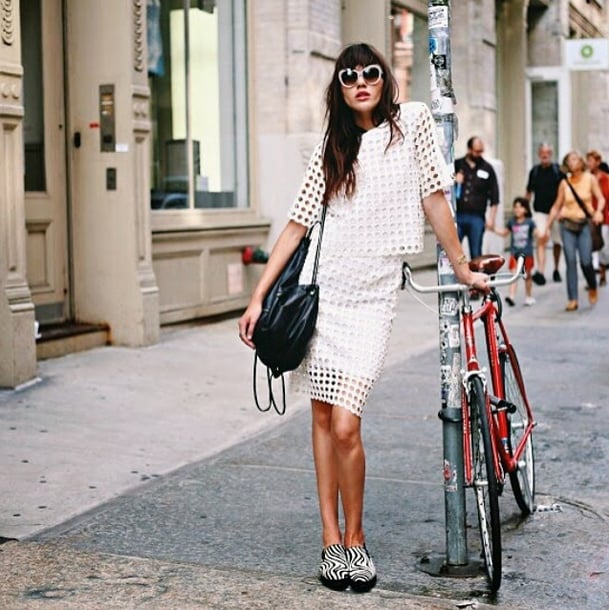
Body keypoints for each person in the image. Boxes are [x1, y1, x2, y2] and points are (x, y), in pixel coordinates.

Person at [238, 43, 490, 593]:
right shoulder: (332, 145)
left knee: (347, 423)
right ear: (339, 86)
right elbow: (297, 224)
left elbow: (435, 199)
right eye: (349, 76)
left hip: (373, 299)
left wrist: (463, 267)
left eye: (370, 72)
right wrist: (258, 296)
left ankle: (357, 537)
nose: (360, 81)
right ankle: (332, 541)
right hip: (325, 295)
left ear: (384, 78)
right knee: (324, 419)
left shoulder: (413, 123)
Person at [545, 151, 605, 311]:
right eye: (569, 160)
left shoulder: (589, 179)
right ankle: (572, 299)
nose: (572, 162)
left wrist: (599, 211)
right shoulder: (565, 183)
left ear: (580, 162)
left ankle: (592, 285)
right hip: (567, 225)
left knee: (586, 260)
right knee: (570, 261)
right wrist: (546, 227)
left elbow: (601, 198)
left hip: (584, 224)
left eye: (575, 159)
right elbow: (556, 206)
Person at [454, 136, 500, 258]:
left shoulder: (487, 168)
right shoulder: (457, 164)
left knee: (476, 251)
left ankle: (476, 276)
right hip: (458, 215)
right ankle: (458, 275)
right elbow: (444, 187)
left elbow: (495, 196)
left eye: (481, 151)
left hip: (477, 216)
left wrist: (491, 218)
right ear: (469, 149)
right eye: (476, 151)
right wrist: (454, 180)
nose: (479, 154)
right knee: (455, 250)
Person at [525, 143, 564, 285]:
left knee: (557, 242)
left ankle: (556, 269)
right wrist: (525, 209)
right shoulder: (534, 171)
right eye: (542, 152)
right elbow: (528, 192)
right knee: (541, 238)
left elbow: (564, 192)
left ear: (551, 153)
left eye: (547, 152)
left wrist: (562, 210)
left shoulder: (558, 171)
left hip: (557, 211)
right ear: (538, 154)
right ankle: (540, 272)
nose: (544, 154)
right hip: (540, 212)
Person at [493, 197, 540, 307]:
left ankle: (528, 296)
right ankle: (511, 296)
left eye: (520, 207)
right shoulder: (512, 222)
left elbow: (537, 233)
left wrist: (541, 235)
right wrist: (493, 229)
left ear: (526, 210)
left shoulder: (530, 222)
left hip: (527, 253)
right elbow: (505, 233)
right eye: (515, 207)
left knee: (527, 276)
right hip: (515, 254)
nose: (517, 209)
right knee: (514, 274)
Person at [586, 149, 609, 286]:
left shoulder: (606, 179)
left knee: (604, 246)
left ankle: (603, 270)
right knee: (590, 246)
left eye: (591, 160)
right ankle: (595, 277)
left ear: (598, 162)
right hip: (589, 217)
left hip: (605, 217)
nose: (588, 163)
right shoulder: (587, 178)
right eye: (587, 160)